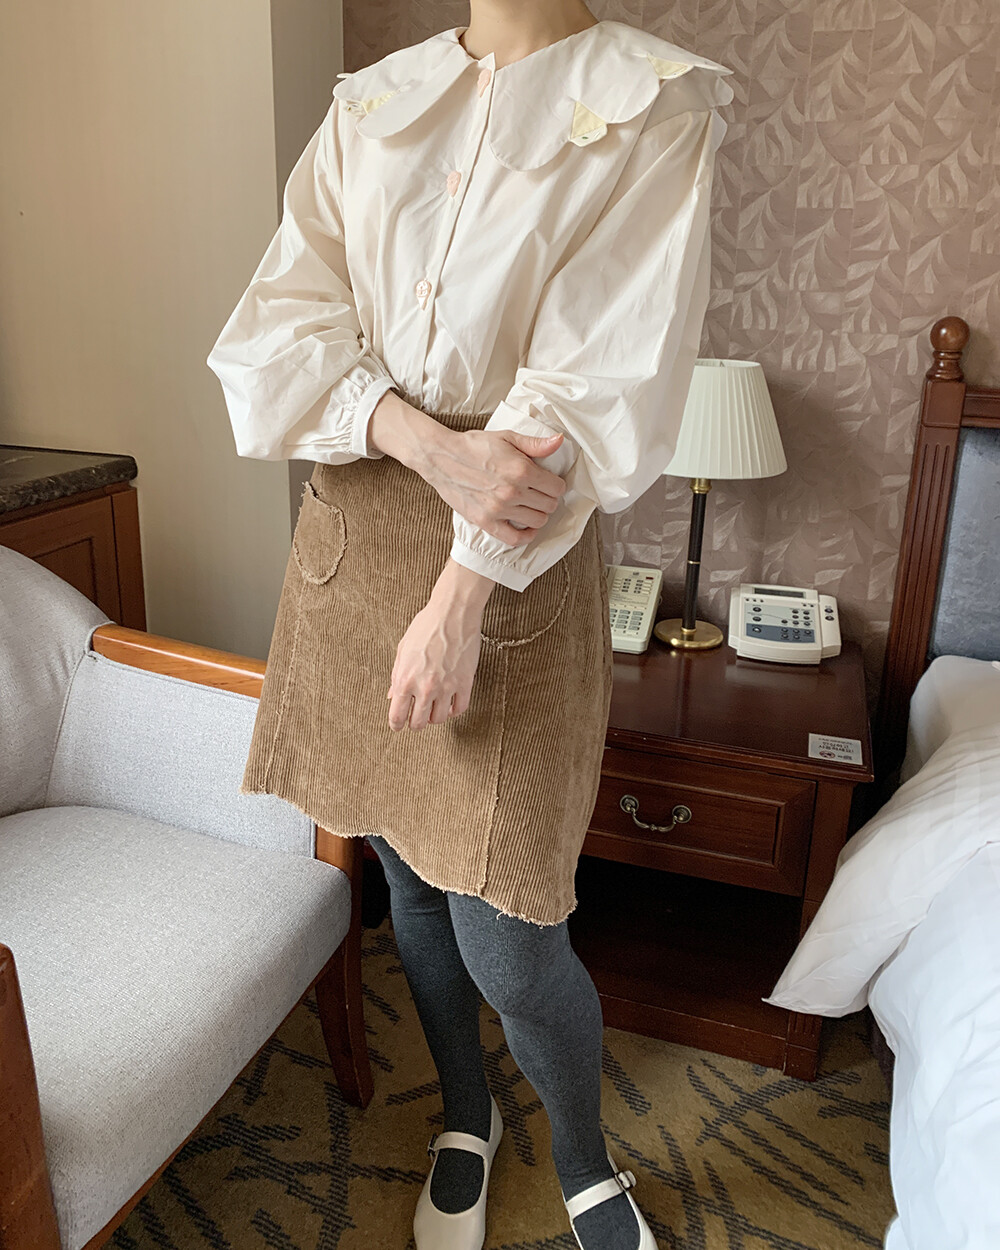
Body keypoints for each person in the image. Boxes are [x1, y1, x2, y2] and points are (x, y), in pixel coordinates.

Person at [206, 3, 732, 1247]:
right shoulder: (374, 98)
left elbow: (595, 382)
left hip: (512, 561)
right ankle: (464, 1110)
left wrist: (458, 598)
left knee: (512, 926)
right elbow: (278, 328)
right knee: (406, 871)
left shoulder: (654, 102)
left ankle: (584, 1159)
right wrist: (423, 440)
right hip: (353, 530)